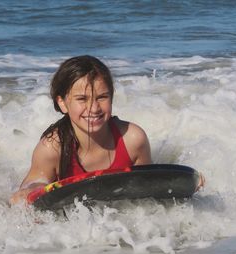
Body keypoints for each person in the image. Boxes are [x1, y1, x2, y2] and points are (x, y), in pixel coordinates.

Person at [10, 55, 152, 204]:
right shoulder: (51, 149)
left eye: (102, 97)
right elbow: (31, 186)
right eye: (82, 99)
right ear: (62, 103)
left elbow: (149, 197)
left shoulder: (133, 140)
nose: (94, 108)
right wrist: (33, 189)